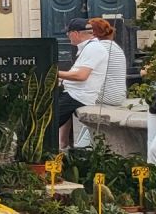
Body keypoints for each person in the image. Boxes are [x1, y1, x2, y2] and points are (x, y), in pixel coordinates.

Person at [55, 18, 110, 149]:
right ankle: (63, 143)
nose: (68, 37)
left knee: (45, 122)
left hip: (78, 96)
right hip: (72, 93)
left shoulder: (94, 48)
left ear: (75, 33)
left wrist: (53, 73)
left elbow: (81, 76)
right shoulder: (87, 48)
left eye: (68, 34)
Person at [90, 18, 129, 105]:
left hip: (106, 97)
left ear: (93, 33)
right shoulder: (114, 46)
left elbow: (82, 75)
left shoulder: (98, 47)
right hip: (118, 96)